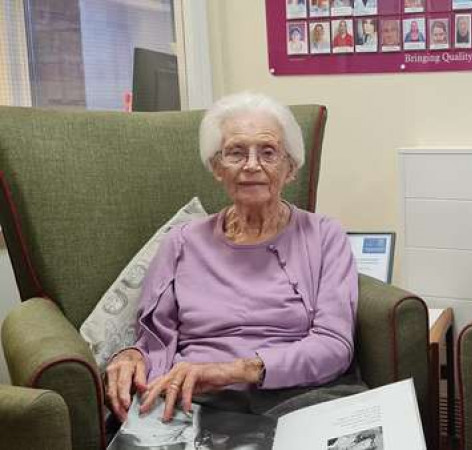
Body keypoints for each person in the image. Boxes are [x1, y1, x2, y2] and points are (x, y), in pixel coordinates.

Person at [104, 93, 363, 430]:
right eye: (236, 152)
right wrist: (131, 356)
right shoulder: (181, 242)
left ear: (291, 168)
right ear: (217, 167)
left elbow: (334, 345)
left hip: (300, 394)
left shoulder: (325, 236)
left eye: (268, 152)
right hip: (195, 400)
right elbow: (155, 338)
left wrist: (236, 371)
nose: (252, 165)